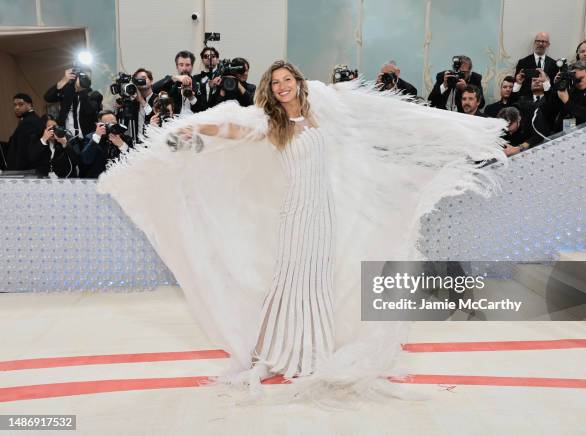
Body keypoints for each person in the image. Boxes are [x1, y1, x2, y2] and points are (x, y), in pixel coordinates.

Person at [98, 60, 505, 397]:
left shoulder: (320, 113)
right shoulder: (270, 123)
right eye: (275, 83)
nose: (281, 87)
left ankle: (313, 352)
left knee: (317, 282)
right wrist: (196, 130)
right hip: (296, 214)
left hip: (323, 214)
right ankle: (271, 354)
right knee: (288, 279)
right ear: (270, 89)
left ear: (297, 82)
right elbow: (234, 129)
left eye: (286, 80)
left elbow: (367, 115)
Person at [43, 67, 103, 138]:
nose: (85, 79)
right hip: (67, 137)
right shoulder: (67, 92)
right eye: (83, 77)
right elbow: (48, 98)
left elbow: (89, 111)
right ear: (76, 77)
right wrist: (63, 80)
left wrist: (81, 90)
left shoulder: (94, 95)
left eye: (88, 78)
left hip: (86, 138)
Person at [81, 110, 133, 178]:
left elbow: (133, 161)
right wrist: (97, 137)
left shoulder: (125, 139)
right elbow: (86, 160)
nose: (111, 126)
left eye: (114, 123)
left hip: (119, 180)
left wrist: (122, 145)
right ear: (99, 124)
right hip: (97, 181)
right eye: (108, 124)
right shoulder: (90, 137)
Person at [5, 93, 44, 171]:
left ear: (29, 105)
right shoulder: (28, 119)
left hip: (24, 172)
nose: (17, 107)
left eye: (20, 104)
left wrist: (17, 172)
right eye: (15, 105)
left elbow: (23, 151)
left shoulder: (29, 121)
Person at [514, 32, 559, 98]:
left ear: (548, 44)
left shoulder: (554, 64)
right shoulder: (523, 62)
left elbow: (555, 85)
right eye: (538, 41)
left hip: (547, 101)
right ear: (534, 43)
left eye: (543, 41)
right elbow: (518, 82)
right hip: (525, 101)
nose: (540, 44)